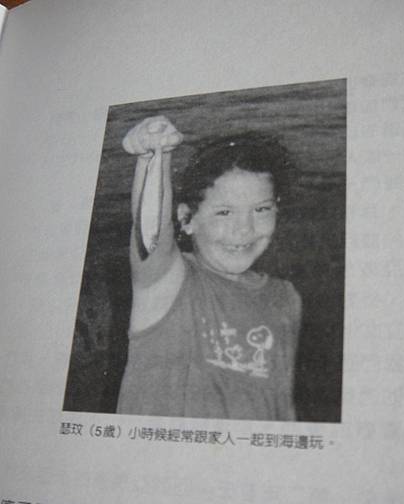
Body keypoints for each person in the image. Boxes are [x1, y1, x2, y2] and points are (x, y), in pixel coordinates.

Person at [117, 116, 301, 420]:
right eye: (224, 212)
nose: (245, 229)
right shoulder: (168, 282)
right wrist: (154, 156)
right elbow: (150, 232)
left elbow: (281, 404)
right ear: (187, 219)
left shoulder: (285, 298)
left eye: (261, 209)